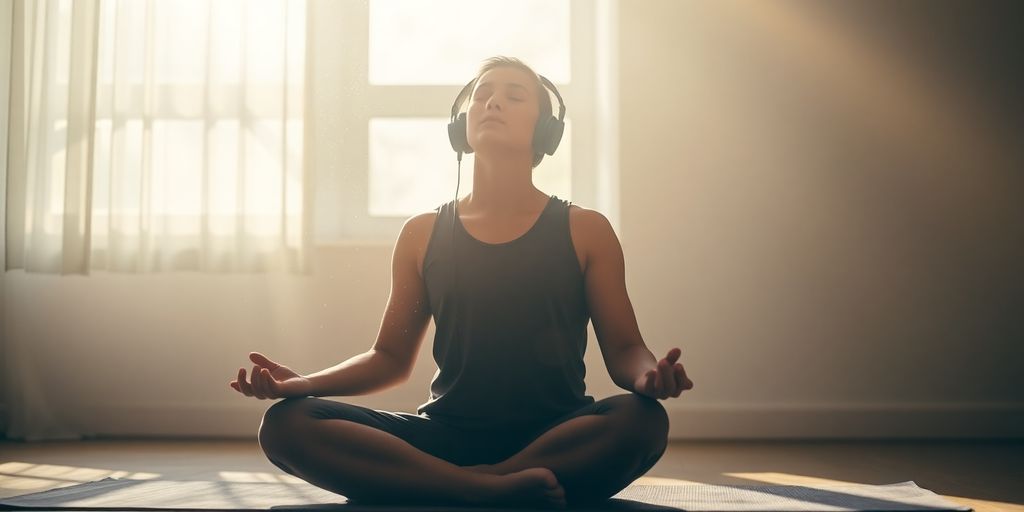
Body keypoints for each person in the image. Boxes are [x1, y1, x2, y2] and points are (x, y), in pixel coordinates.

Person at [228, 56, 694, 509]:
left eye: (514, 96)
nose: (492, 103)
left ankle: (456, 486)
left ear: (546, 131)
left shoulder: (586, 229)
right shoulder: (421, 233)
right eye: (482, 94)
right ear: (461, 125)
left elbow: (625, 348)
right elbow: (389, 359)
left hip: (555, 435)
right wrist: (304, 384)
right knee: (285, 425)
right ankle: (485, 489)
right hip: (442, 435)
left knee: (643, 421)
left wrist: (648, 376)